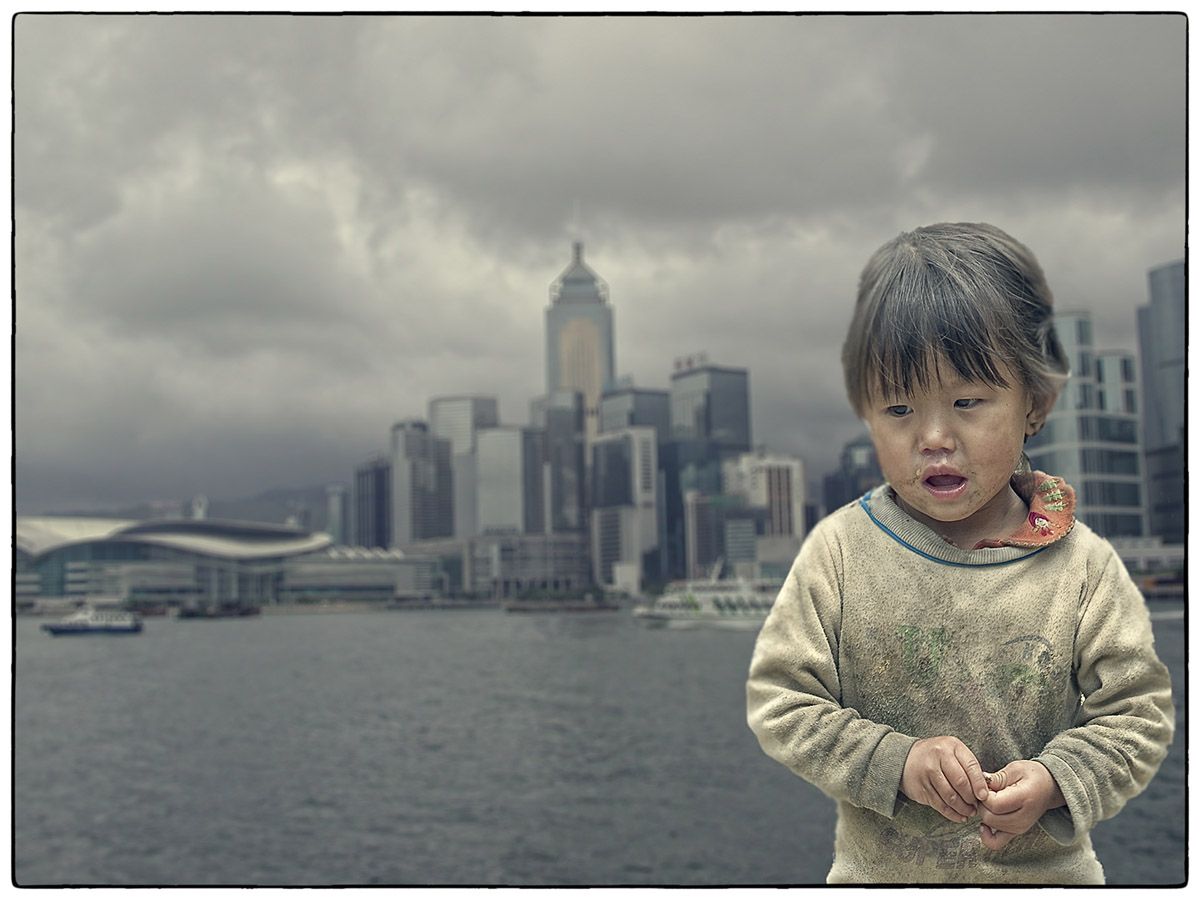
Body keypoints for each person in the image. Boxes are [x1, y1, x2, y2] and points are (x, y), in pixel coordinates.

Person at [745, 222, 1174, 884]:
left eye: (968, 402)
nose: (934, 436)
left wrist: (1057, 778)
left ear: (1035, 403)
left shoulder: (1082, 567)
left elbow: (1138, 715)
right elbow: (780, 698)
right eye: (898, 410)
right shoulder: (840, 552)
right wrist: (894, 762)